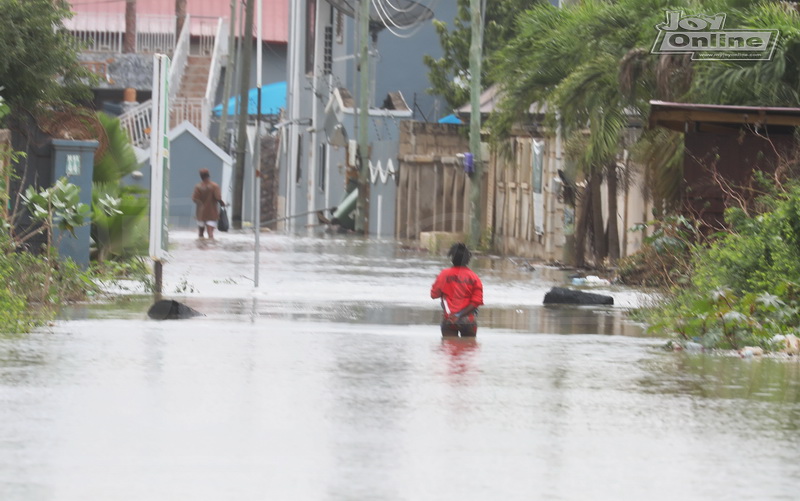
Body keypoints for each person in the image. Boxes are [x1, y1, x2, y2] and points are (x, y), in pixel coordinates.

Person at [430, 243, 484, 337]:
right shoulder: (474, 277)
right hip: (468, 321)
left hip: (449, 320)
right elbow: (477, 301)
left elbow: (434, 294)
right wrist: (459, 315)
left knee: (449, 348)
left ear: (452, 258)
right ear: (468, 259)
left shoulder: (444, 274)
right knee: (468, 349)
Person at [191, 168, 225, 239]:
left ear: (201, 176)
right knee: (210, 234)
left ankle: (200, 247)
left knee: (200, 234)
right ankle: (211, 248)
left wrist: (201, 204)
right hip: (211, 214)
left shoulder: (198, 186)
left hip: (200, 214)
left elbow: (194, 199)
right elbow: (218, 197)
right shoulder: (214, 186)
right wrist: (222, 203)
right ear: (208, 175)